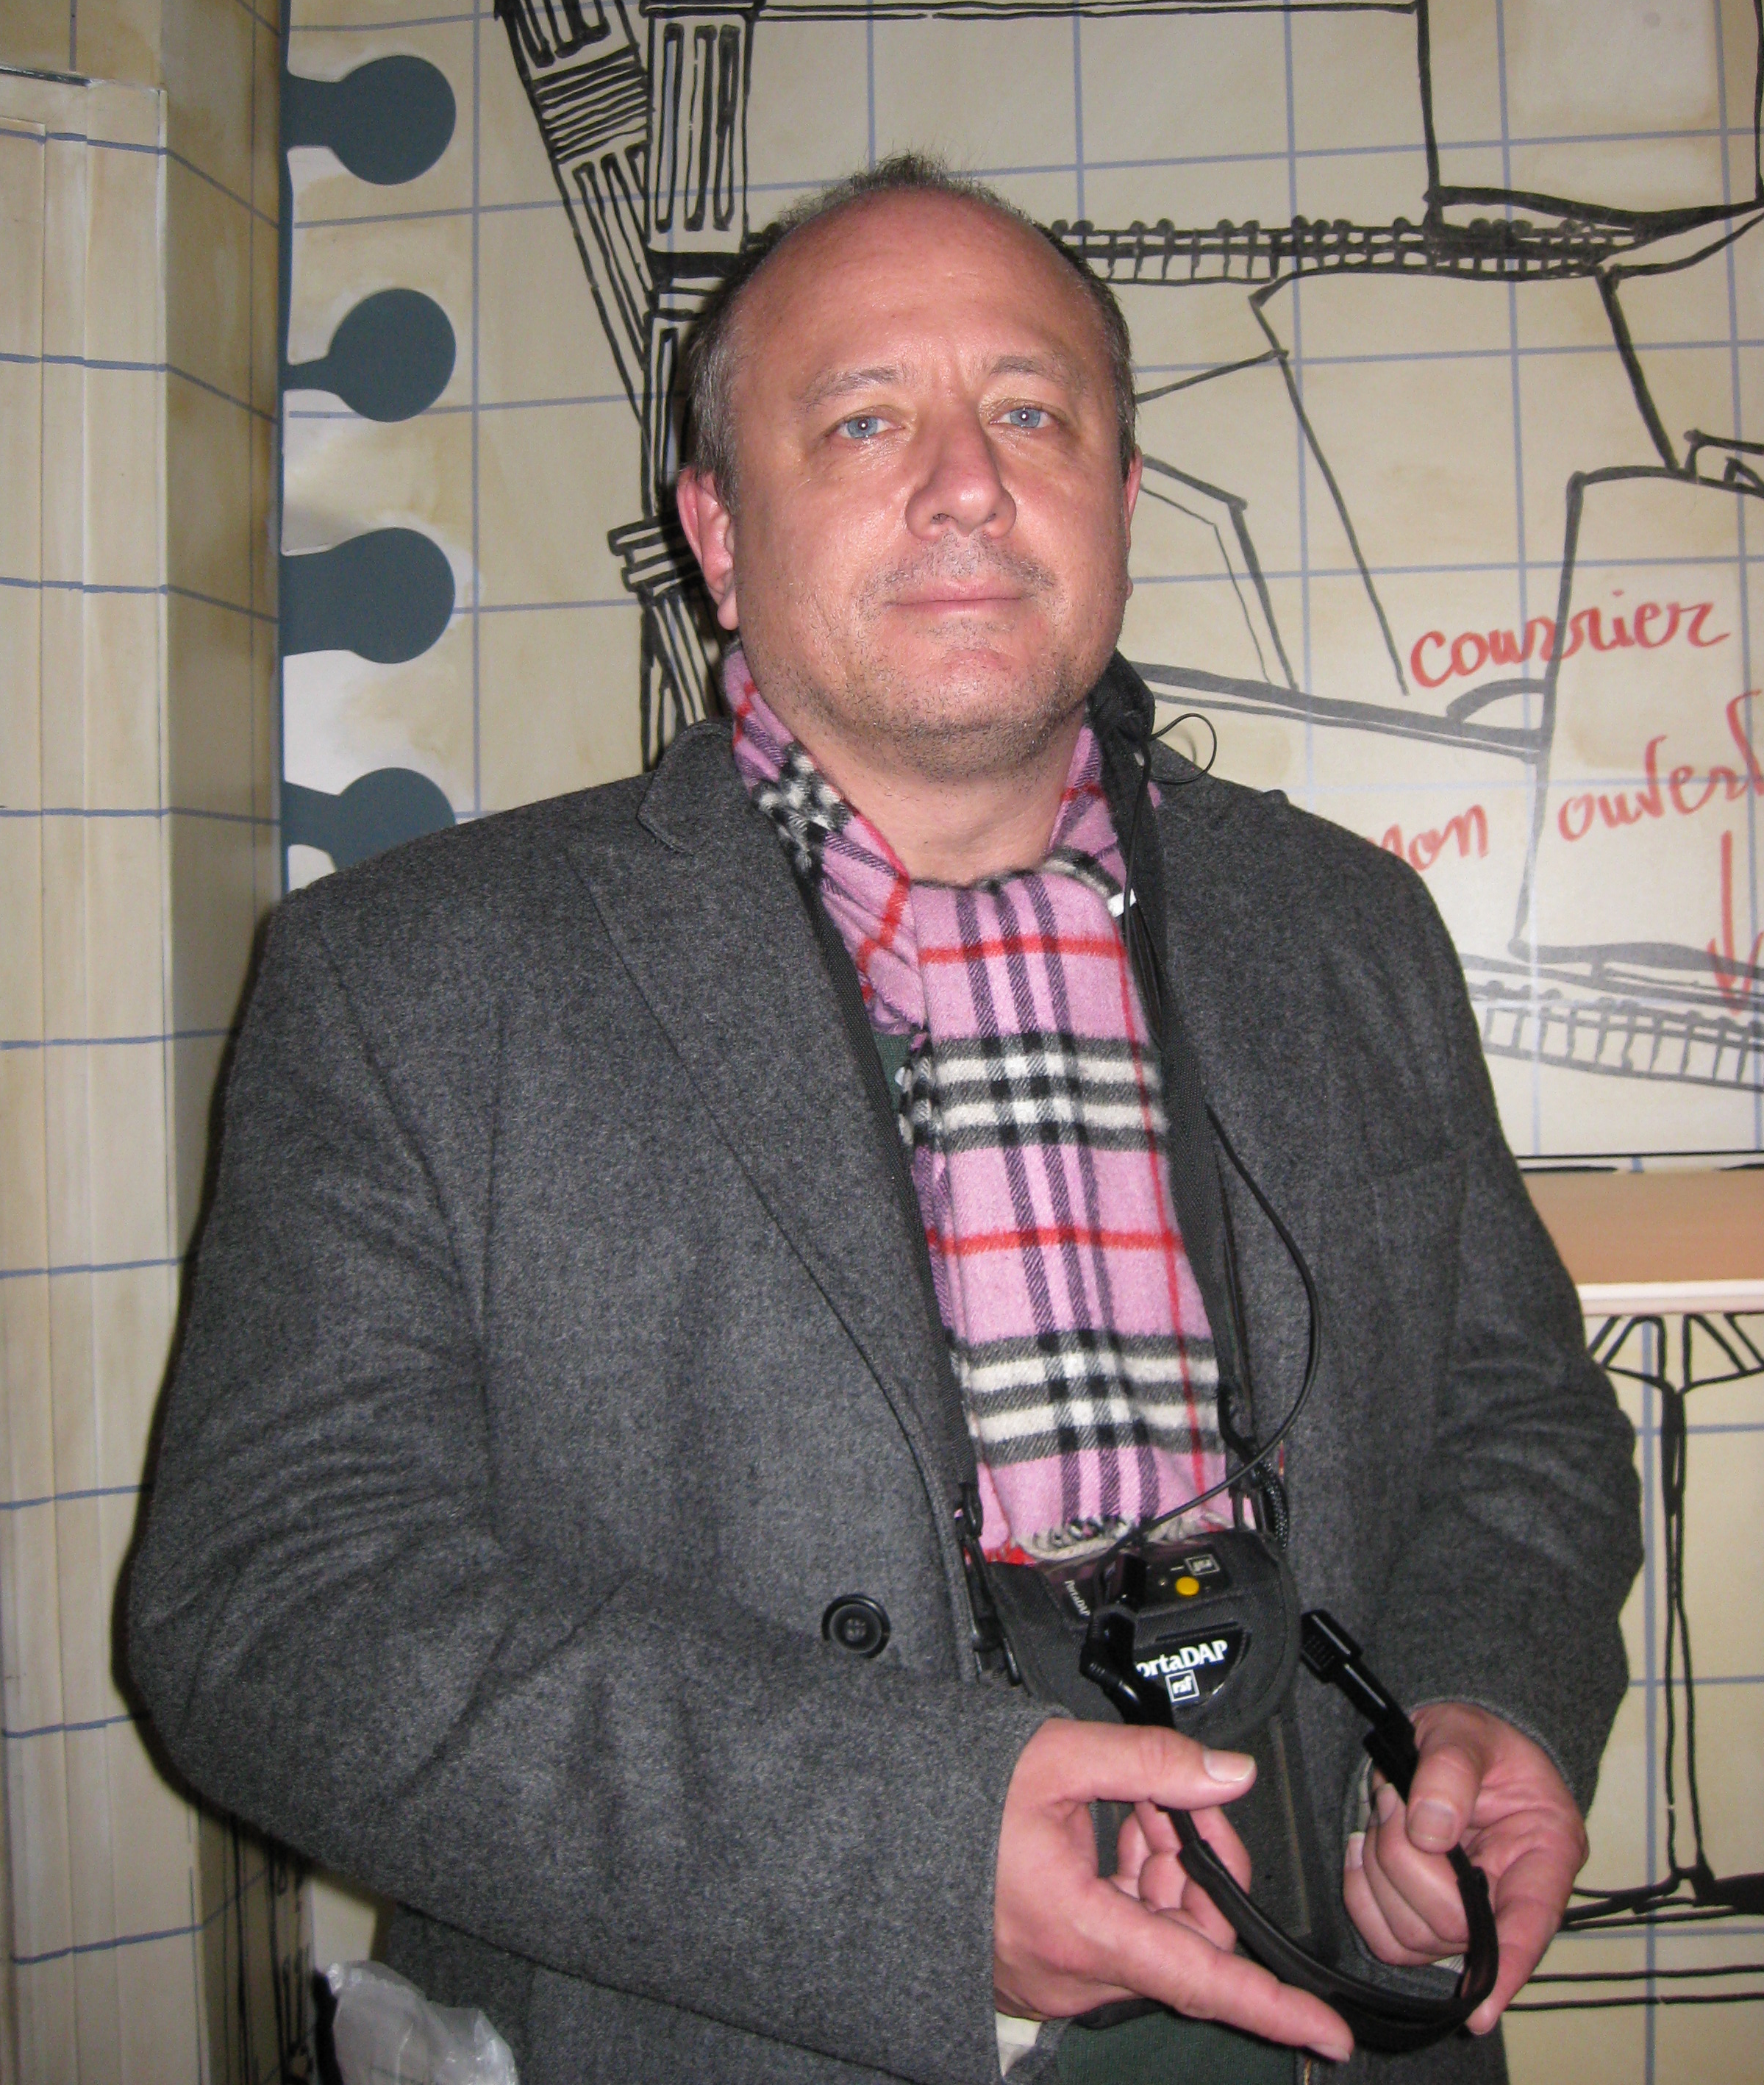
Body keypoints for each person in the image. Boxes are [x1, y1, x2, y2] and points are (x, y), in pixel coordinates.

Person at [127, 157, 1640, 2085]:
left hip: (1342, 2008)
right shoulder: (409, 981)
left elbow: (1523, 1425)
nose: (967, 485)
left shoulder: (1354, 930)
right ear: (718, 533)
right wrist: (898, 1855)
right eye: (863, 421)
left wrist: (1484, 1704)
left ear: (1120, 502)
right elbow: (270, 1606)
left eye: (1032, 413)